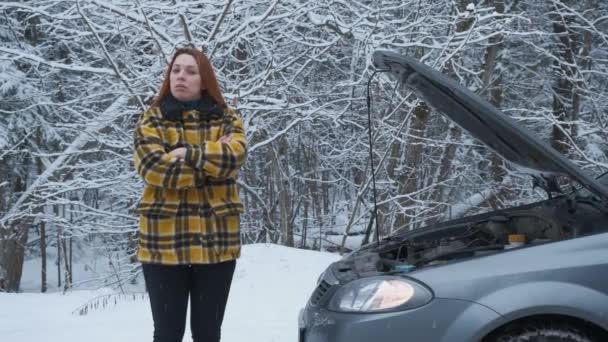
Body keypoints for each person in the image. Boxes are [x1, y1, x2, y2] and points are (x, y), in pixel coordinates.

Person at [133, 47, 247, 342]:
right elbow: (153, 168)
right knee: (168, 333)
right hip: (164, 243)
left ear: (204, 80)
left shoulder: (227, 118)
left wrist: (187, 153)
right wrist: (209, 164)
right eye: (176, 70)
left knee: (208, 333)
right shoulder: (152, 119)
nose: (180, 76)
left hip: (217, 241)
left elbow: (234, 157)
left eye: (190, 71)